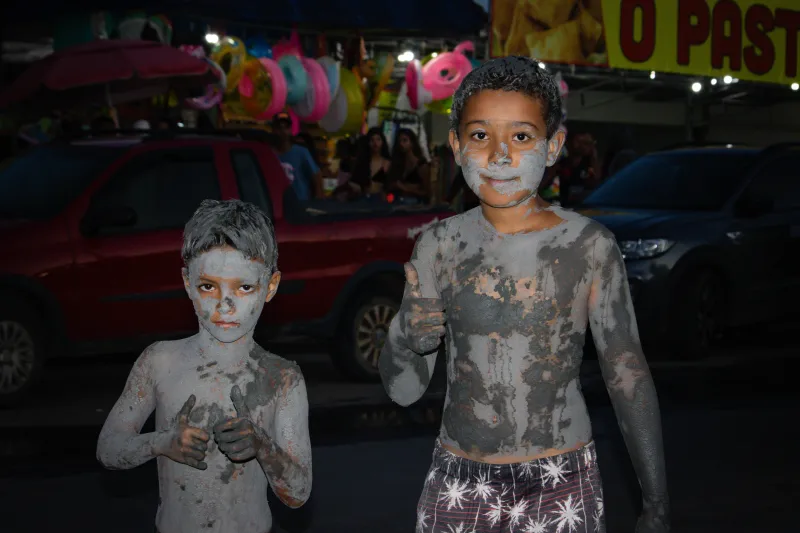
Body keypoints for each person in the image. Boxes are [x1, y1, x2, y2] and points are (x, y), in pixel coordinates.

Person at [379, 56, 669, 533]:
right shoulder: (438, 247)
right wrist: (405, 336)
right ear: (455, 145)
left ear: (552, 146)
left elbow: (627, 373)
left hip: (561, 477)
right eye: (479, 136)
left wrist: (656, 500)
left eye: (520, 136)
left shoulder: (588, 246)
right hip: (460, 478)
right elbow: (404, 390)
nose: (499, 156)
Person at [97, 199, 312, 533]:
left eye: (244, 287)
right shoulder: (159, 362)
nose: (224, 306)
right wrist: (162, 442)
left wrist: (262, 446)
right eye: (208, 286)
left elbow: (298, 493)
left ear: (270, 287)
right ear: (187, 283)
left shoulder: (282, 379)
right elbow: (108, 447)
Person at [273, 113, 322, 200]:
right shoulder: (269, 153)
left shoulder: (301, 152)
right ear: (274, 130)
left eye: (286, 127)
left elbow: (316, 174)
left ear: (290, 130)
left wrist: (318, 196)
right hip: (278, 203)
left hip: (300, 202)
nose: (283, 131)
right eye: (279, 128)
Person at [335, 127, 392, 201]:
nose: (375, 143)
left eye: (378, 139)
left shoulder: (387, 163)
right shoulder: (363, 162)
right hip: (364, 200)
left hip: (381, 201)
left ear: (383, 142)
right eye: (372, 140)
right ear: (368, 143)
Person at [556, 129, 601, 207]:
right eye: (579, 142)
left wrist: (594, 158)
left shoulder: (588, 164)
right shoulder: (560, 162)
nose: (585, 146)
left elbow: (596, 183)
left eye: (589, 143)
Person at [386, 128, 430, 204]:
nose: (401, 144)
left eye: (405, 140)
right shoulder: (397, 163)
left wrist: (405, 188)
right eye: (399, 141)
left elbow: (426, 192)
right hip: (397, 201)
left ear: (412, 143)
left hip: (415, 203)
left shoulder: (421, 165)